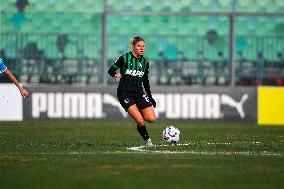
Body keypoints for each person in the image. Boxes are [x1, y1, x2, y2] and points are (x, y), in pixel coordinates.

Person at [108, 36, 157, 147]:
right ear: (133, 47)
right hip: (124, 92)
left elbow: (145, 81)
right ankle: (148, 141)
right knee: (140, 120)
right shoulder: (124, 58)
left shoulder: (145, 62)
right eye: (139, 46)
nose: (141, 48)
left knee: (152, 119)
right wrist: (116, 74)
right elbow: (110, 70)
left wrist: (150, 97)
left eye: (143, 46)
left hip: (139, 92)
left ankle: (139, 112)